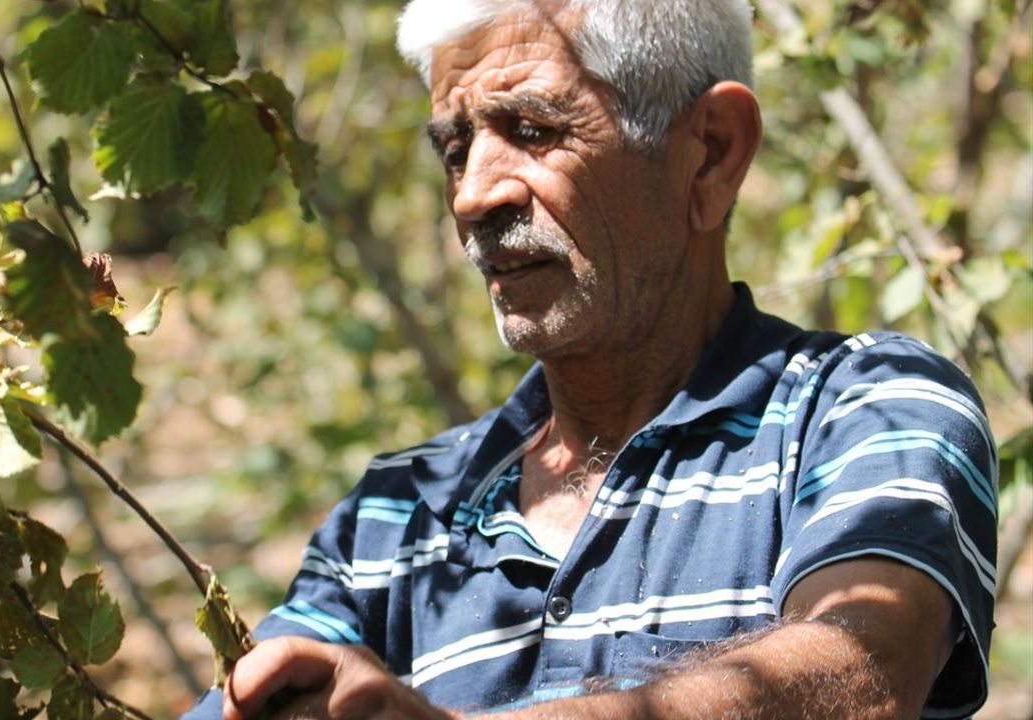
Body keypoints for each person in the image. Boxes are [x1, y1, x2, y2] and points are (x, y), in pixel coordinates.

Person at [185, 0, 998, 717]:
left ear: (711, 152)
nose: (472, 194)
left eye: (532, 130)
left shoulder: (864, 407)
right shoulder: (396, 517)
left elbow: (862, 668)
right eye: (455, 146)